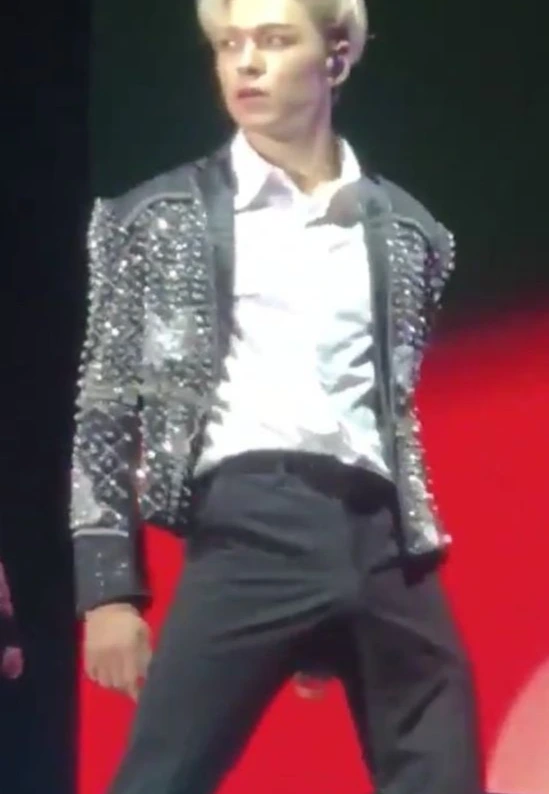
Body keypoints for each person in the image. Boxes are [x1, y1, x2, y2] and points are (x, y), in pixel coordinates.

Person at [71, 0, 483, 791]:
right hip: (249, 525)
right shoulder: (156, 217)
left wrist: (339, 602)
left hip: (382, 537)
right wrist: (108, 592)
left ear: (336, 55)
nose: (246, 63)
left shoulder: (409, 232)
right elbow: (105, 407)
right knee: (160, 776)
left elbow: (391, 404)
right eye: (230, 45)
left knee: (442, 756)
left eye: (273, 40)